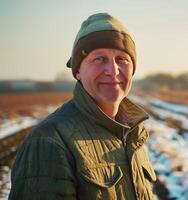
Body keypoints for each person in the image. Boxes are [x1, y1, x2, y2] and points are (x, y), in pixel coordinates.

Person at [9, 13, 156, 200]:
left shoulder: (132, 132)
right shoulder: (49, 141)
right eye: (99, 59)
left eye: (122, 59)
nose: (113, 71)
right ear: (78, 70)